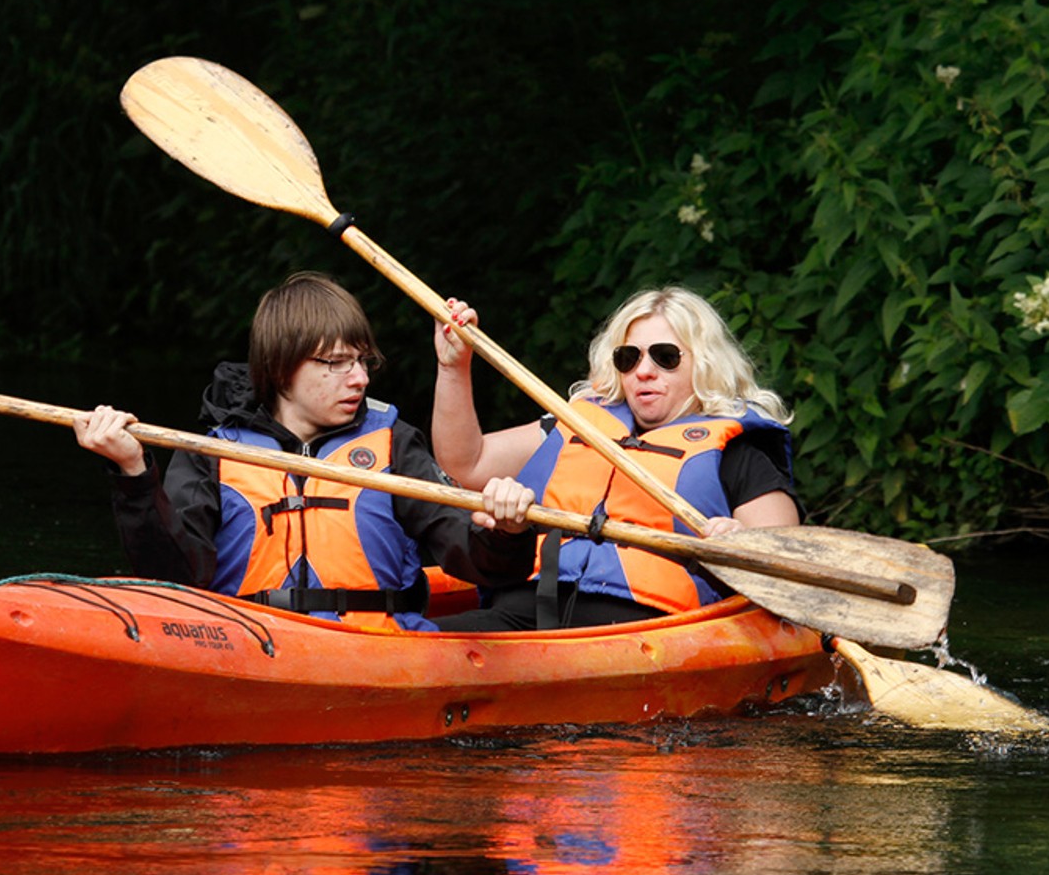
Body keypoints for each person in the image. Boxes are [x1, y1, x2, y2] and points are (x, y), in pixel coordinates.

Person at [72, 271, 537, 632]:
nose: (359, 378)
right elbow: (172, 580)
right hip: (249, 641)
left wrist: (508, 533)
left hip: (377, 645)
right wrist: (133, 472)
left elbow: (479, 564)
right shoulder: (211, 453)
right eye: (335, 363)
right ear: (280, 368)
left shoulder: (393, 444)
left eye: (361, 361)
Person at [428, 285, 797, 632]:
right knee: (429, 644)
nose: (644, 370)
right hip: (527, 614)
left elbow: (791, 570)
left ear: (705, 363)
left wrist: (744, 543)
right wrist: (453, 367)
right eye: (628, 357)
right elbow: (465, 464)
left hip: (652, 633)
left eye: (665, 357)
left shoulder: (738, 452)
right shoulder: (577, 423)